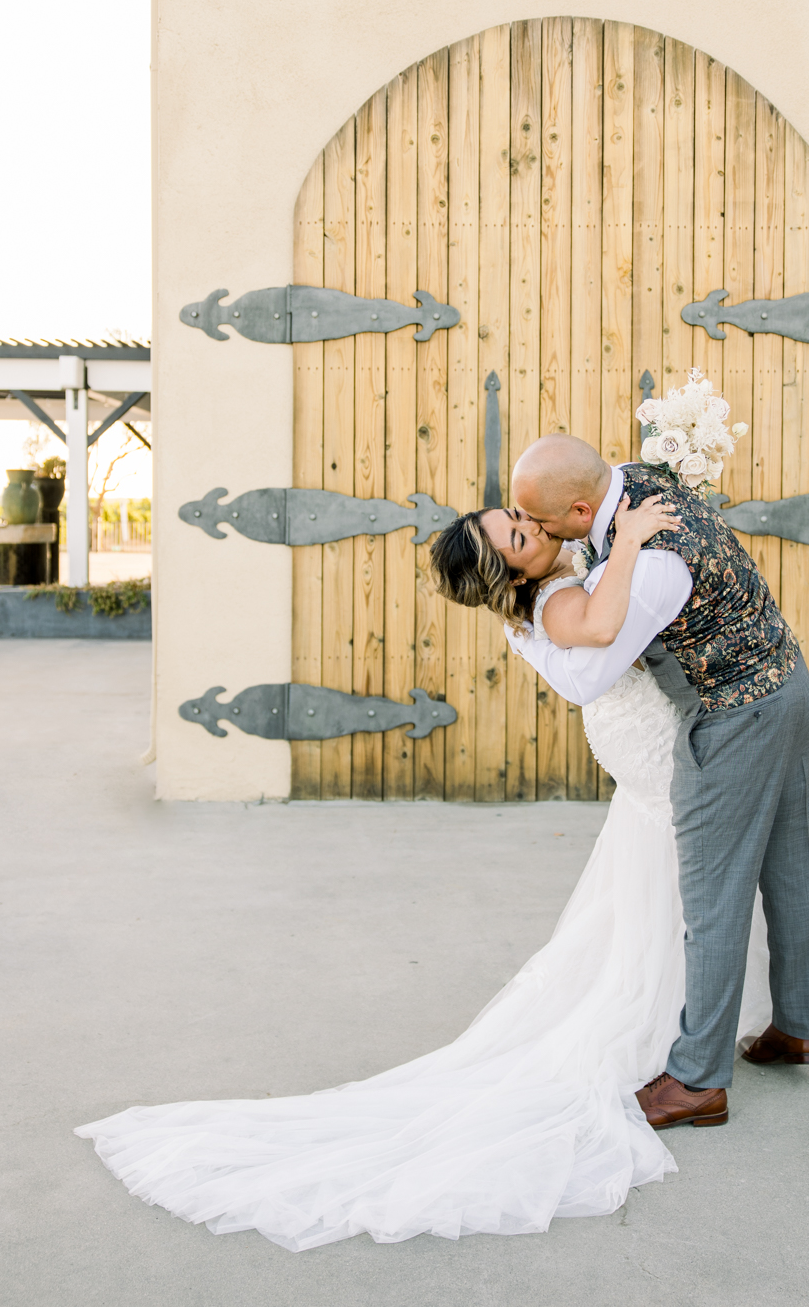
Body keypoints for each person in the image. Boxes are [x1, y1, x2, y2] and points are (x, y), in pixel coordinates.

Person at [75, 490, 771, 1248]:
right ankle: (682, 1034)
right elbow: (604, 624)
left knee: (665, 875)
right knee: (680, 869)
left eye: (520, 517)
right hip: (645, 739)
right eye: (517, 532)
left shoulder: (546, 587)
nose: (532, 525)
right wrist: (631, 537)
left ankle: (693, 1020)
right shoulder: (557, 600)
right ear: (510, 572)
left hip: (639, 728)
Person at [507, 435, 809, 1131]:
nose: (532, 529)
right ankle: (799, 1026)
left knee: (711, 897)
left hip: (735, 714)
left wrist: (520, 632)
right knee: (786, 868)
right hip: (786, 682)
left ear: (582, 507)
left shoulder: (650, 565)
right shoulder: (635, 481)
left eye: (540, 519)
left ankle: (697, 1078)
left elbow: (590, 675)